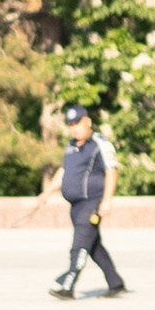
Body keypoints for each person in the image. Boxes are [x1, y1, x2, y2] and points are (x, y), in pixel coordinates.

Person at [47, 104, 126, 299]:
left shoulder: (100, 144)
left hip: (92, 203)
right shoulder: (71, 146)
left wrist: (107, 201)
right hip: (75, 206)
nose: (74, 128)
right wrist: (47, 192)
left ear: (87, 121)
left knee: (80, 244)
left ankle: (67, 285)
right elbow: (63, 171)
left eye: (78, 123)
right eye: (71, 124)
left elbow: (112, 171)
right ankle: (115, 283)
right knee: (93, 246)